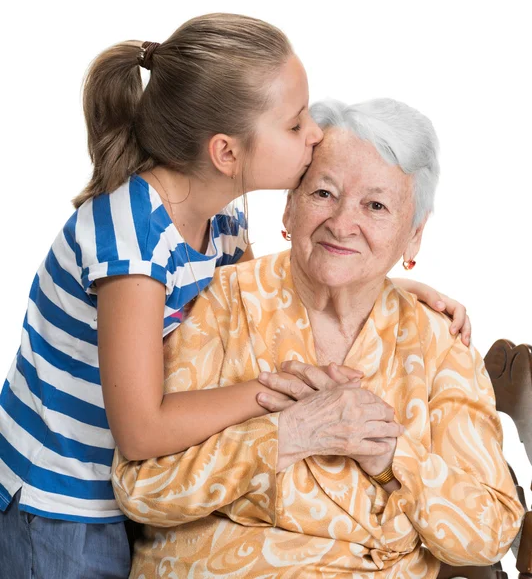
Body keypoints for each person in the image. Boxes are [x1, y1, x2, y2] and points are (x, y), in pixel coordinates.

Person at [0, 13, 468, 578]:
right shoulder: (133, 244)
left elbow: (261, 302)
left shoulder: (219, 219)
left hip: (126, 492)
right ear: (227, 154)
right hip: (62, 503)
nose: (315, 133)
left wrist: (383, 286)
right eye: (295, 126)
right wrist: (276, 396)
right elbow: (142, 428)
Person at [113, 98, 523, 579]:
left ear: (414, 235)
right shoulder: (223, 302)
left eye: (375, 205)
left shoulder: (438, 340)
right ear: (290, 204)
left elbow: (491, 528)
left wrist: (390, 457)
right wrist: (285, 436)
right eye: (324, 193)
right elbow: (140, 486)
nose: (343, 223)